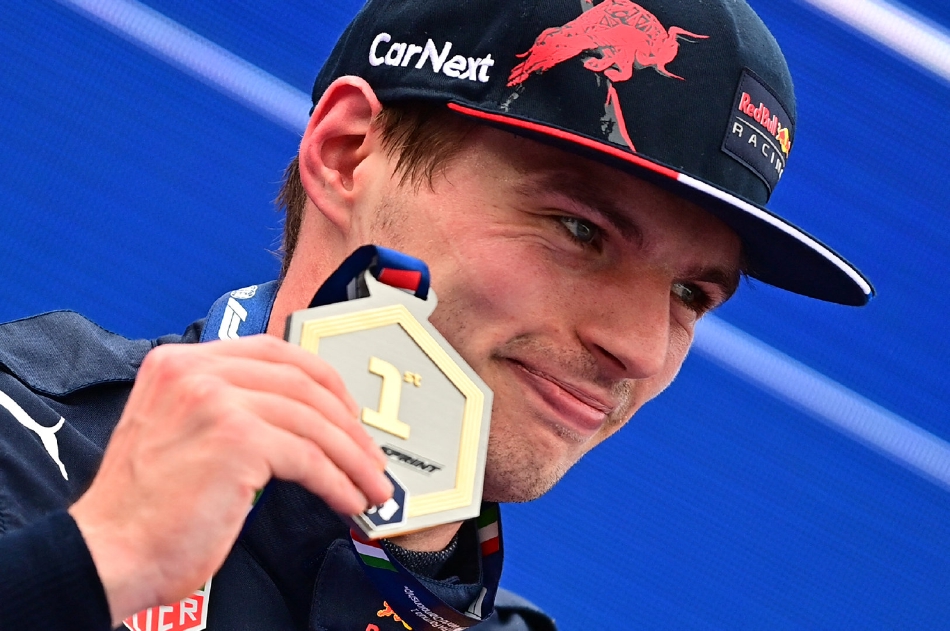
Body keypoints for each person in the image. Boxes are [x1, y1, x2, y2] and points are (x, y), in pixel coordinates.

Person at [0, 0, 874, 629]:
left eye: (692, 295)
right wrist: (91, 565)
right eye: (580, 230)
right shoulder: (23, 440)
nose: (640, 347)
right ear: (346, 155)